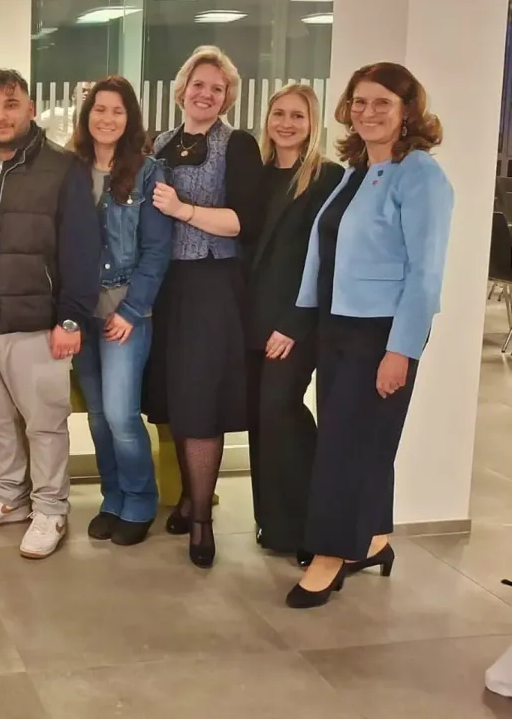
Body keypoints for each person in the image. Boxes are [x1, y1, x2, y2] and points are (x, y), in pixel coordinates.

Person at [287, 62, 452, 608]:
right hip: (338, 324)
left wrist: (400, 350)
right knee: (361, 443)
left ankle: (330, 556)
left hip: (381, 333)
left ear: (408, 111)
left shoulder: (420, 174)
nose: (368, 113)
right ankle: (374, 539)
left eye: (382, 102)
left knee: (343, 449)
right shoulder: (356, 171)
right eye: (359, 102)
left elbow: (426, 274)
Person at [0, 67, 101, 560]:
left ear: (31, 108)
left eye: (10, 105)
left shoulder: (63, 168)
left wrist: (71, 319)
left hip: (37, 323)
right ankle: (9, 497)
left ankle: (51, 507)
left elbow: (82, 249)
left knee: (45, 422)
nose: (1, 116)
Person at [145, 45, 267, 569]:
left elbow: (245, 221)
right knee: (172, 396)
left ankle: (202, 521)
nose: (207, 94)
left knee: (201, 401)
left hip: (213, 286)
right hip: (167, 286)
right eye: (199, 84)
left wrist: (184, 210)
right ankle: (188, 498)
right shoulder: (162, 142)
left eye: (217, 88)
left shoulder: (236, 144)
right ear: (182, 90)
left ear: (227, 97)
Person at [67, 76, 172, 547]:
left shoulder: (148, 172)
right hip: (80, 314)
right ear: (86, 115)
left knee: (121, 414)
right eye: (99, 109)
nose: (106, 119)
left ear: (130, 119)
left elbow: (156, 249)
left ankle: (140, 500)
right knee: (95, 417)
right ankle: (112, 498)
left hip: (127, 313)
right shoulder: (70, 169)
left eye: (117, 111)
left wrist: (132, 310)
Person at [246, 83, 342, 565]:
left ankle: (314, 525)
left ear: (313, 123)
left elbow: (326, 261)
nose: (286, 123)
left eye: (297, 116)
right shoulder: (257, 176)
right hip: (249, 319)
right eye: (279, 113)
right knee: (261, 424)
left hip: (293, 323)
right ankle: (275, 524)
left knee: (282, 413)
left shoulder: (328, 178)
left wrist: (294, 322)